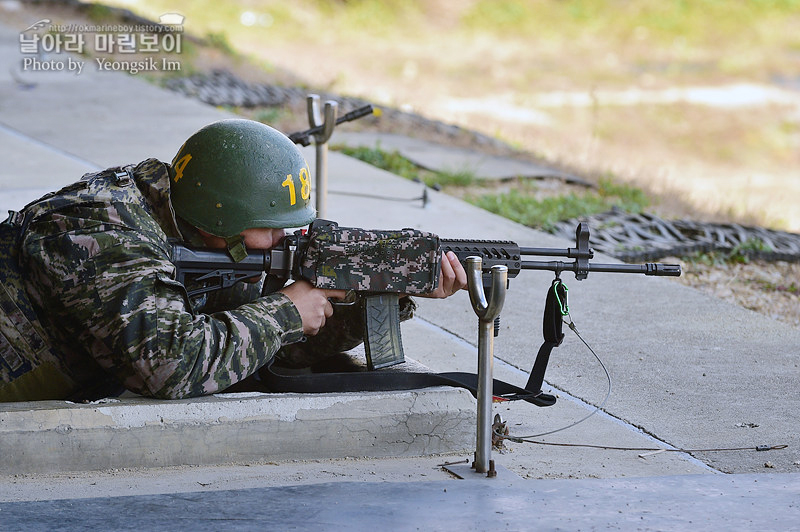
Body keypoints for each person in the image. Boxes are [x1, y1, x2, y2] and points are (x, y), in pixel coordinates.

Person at [0, 119, 465, 402]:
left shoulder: (204, 233)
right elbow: (170, 365)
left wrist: (382, 291)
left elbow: (250, 351)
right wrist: (286, 309)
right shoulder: (102, 233)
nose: (283, 237)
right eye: (270, 225)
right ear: (219, 215)